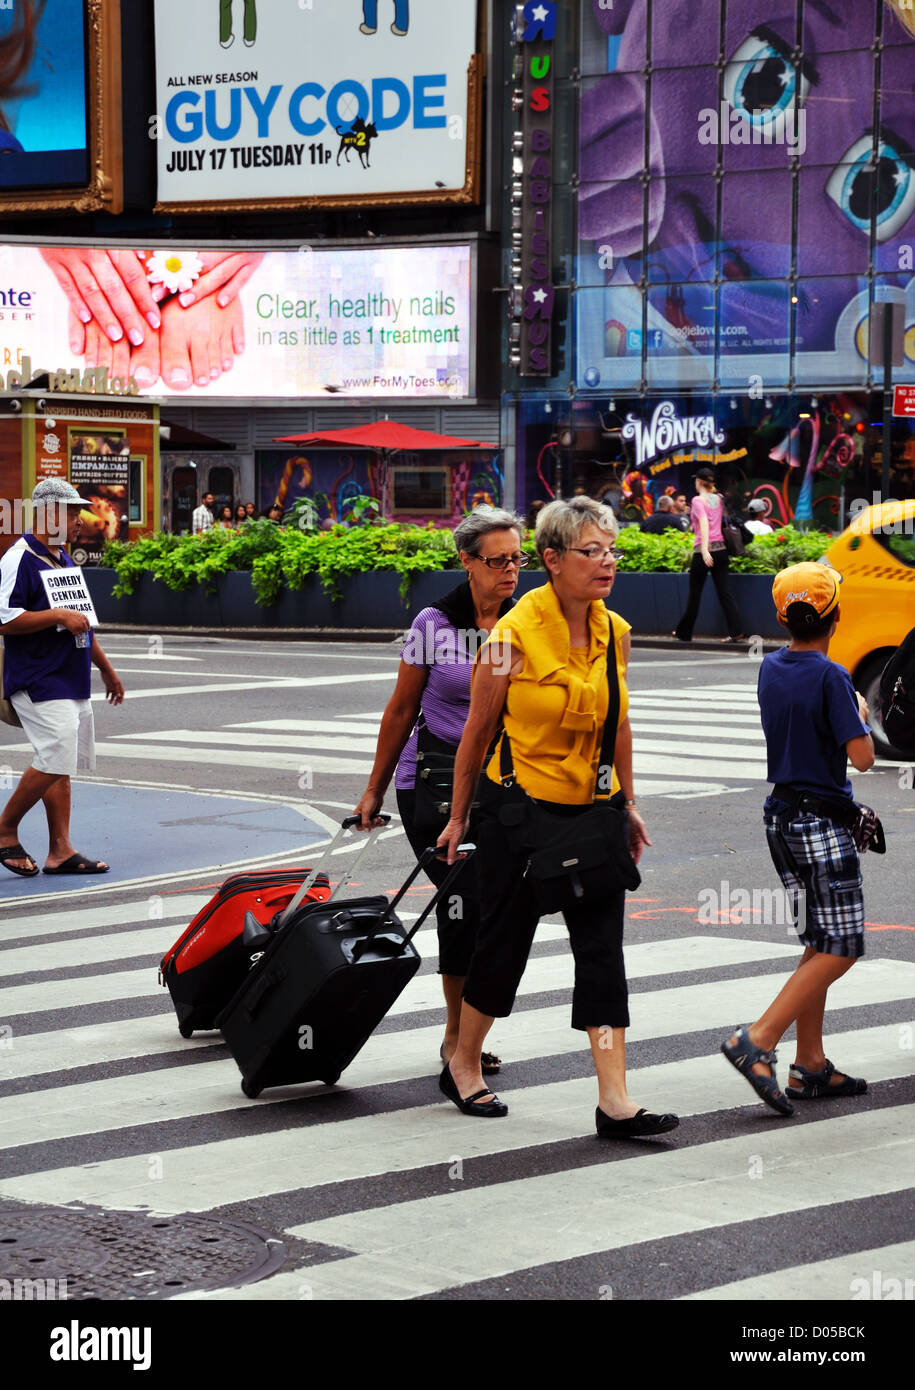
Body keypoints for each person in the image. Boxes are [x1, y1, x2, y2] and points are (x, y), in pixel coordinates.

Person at [437, 497, 678, 1136]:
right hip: (517, 812)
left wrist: (628, 802)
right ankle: (463, 1058)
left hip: (591, 812)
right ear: (552, 559)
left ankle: (615, 1099)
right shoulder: (511, 636)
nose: (606, 563)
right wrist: (459, 819)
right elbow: (476, 731)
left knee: (601, 951)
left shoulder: (615, 632)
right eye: (590, 551)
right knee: (503, 945)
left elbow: (619, 721)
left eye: (611, 551)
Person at [353, 506, 525, 1072]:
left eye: (516, 559)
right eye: (497, 560)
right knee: (464, 903)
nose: (510, 570)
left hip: (502, 786)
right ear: (467, 562)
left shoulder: (527, 620)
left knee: (490, 909)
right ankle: (458, 1041)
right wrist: (373, 790)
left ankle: (463, 1038)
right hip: (431, 784)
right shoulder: (434, 623)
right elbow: (400, 708)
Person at [722, 563, 873, 1115]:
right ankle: (755, 1040)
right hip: (821, 823)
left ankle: (810, 1065)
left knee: (817, 940)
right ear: (836, 614)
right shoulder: (832, 676)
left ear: (782, 616)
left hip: (781, 817)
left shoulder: (770, 667)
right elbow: (862, 756)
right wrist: (858, 711)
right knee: (842, 945)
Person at [0, 479, 125, 877]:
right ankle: (3, 830)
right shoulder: (19, 558)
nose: (79, 520)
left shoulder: (64, 560)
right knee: (56, 755)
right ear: (47, 513)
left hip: (69, 676)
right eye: (72, 512)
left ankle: (60, 850)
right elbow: (5, 619)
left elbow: (82, 620)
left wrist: (105, 668)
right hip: (37, 677)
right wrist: (56, 616)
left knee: (62, 761)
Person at [674, 468, 746, 643]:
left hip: (703, 552)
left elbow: (704, 523)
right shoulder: (719, 499)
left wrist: (705, 550)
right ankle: (736, 631)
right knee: (724, 593)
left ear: (698, 481)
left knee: (695, 595)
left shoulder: (698, 500)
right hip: (721, 551)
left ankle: (684, 633)